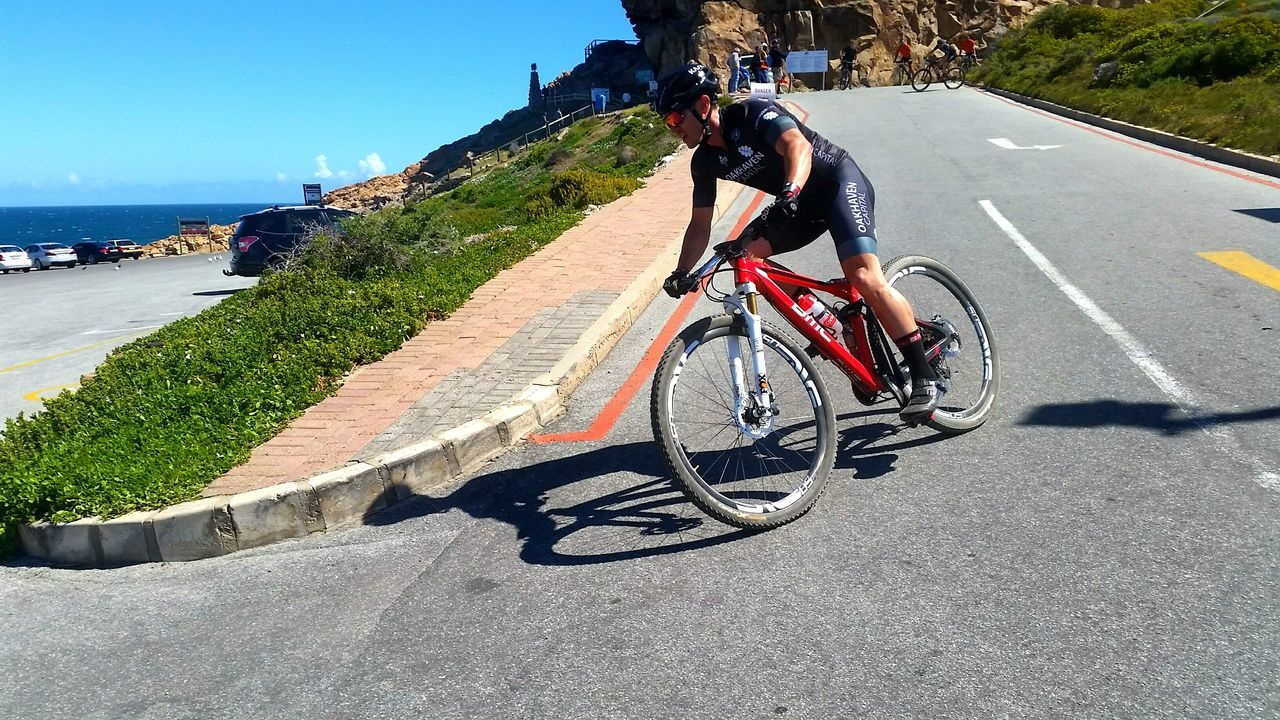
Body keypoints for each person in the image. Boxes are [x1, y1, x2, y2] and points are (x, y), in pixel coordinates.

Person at [653, 64, 943, 424]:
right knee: (745, 257)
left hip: (835, 184)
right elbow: (700, 223)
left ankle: (923, 375)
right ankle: (836, 326)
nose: (674, 127)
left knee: (863, 276)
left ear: (703, 104)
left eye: (676, 117)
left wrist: (790, 189)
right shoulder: (704, 161)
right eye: (668, 122)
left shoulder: (751, 113)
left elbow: (796, 145)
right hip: (797, 204)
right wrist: (683, 272)